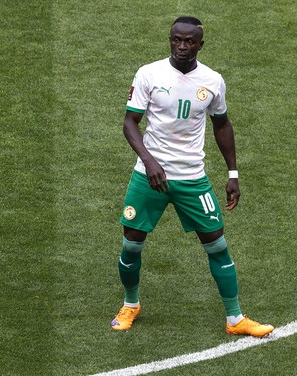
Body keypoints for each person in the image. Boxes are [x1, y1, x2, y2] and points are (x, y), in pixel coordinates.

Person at [110, 16, 274, 337]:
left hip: (192, 178)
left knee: (217, 246)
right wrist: (149, 160)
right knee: (131, 245)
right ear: (170, 39)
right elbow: (130, 123)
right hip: (149, 176)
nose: (181, 46)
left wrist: (233, 173)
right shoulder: (149, 74)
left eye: (188, 41)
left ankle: (235, 319)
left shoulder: (212, 81)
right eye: (176, 40)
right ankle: (131, 304)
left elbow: (222, 125)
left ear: (201, 44)